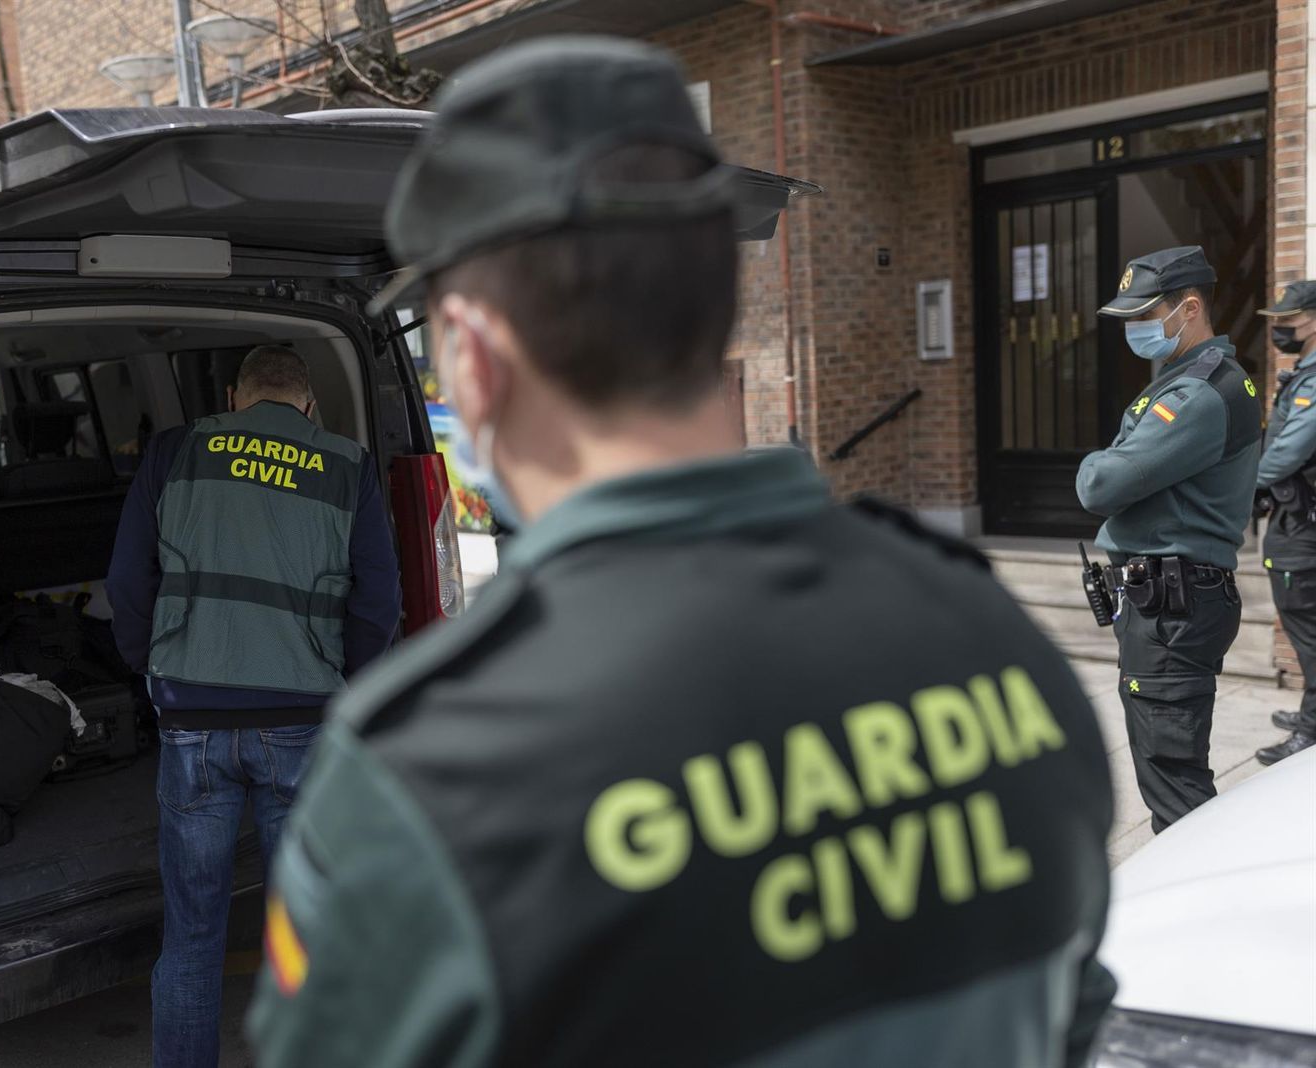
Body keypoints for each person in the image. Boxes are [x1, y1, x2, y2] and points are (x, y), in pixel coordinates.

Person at [250, 36, 1115, 1068]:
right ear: (720, 313)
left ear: (473, 359)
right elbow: (1072, 1011)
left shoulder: (432, 775)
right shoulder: (985, 633)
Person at [106, 344, 401, 1068]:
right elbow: (379, 603)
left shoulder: (177, 450)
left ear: (235, 395)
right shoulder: (347, 464)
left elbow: (126, 579)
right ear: (306, 403)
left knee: (193, 938)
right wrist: (349, 684)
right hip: (302, 721)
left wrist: (151, 664)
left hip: (191, 724)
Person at [1077, 247, 1260, 832]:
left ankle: (1200, 910)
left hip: (1174, 608)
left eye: (1144, 315)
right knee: (1170, 774)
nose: (1134, 329)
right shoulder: (1187, 381)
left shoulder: (1197, 395)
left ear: (1189, 307)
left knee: (1175, 789)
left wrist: (1099, 460)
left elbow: (1101, 484)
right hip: (1171, 600)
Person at [1253, 281, 1316, 765]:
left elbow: (1287, 453)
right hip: (1296, 518)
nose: (1279, 329)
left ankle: (1312, 729)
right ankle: (1310, 710)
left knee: (1305, 623)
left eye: (1288, 320)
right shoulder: (1304, 374)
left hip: (1303, 526)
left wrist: (1244, 485)